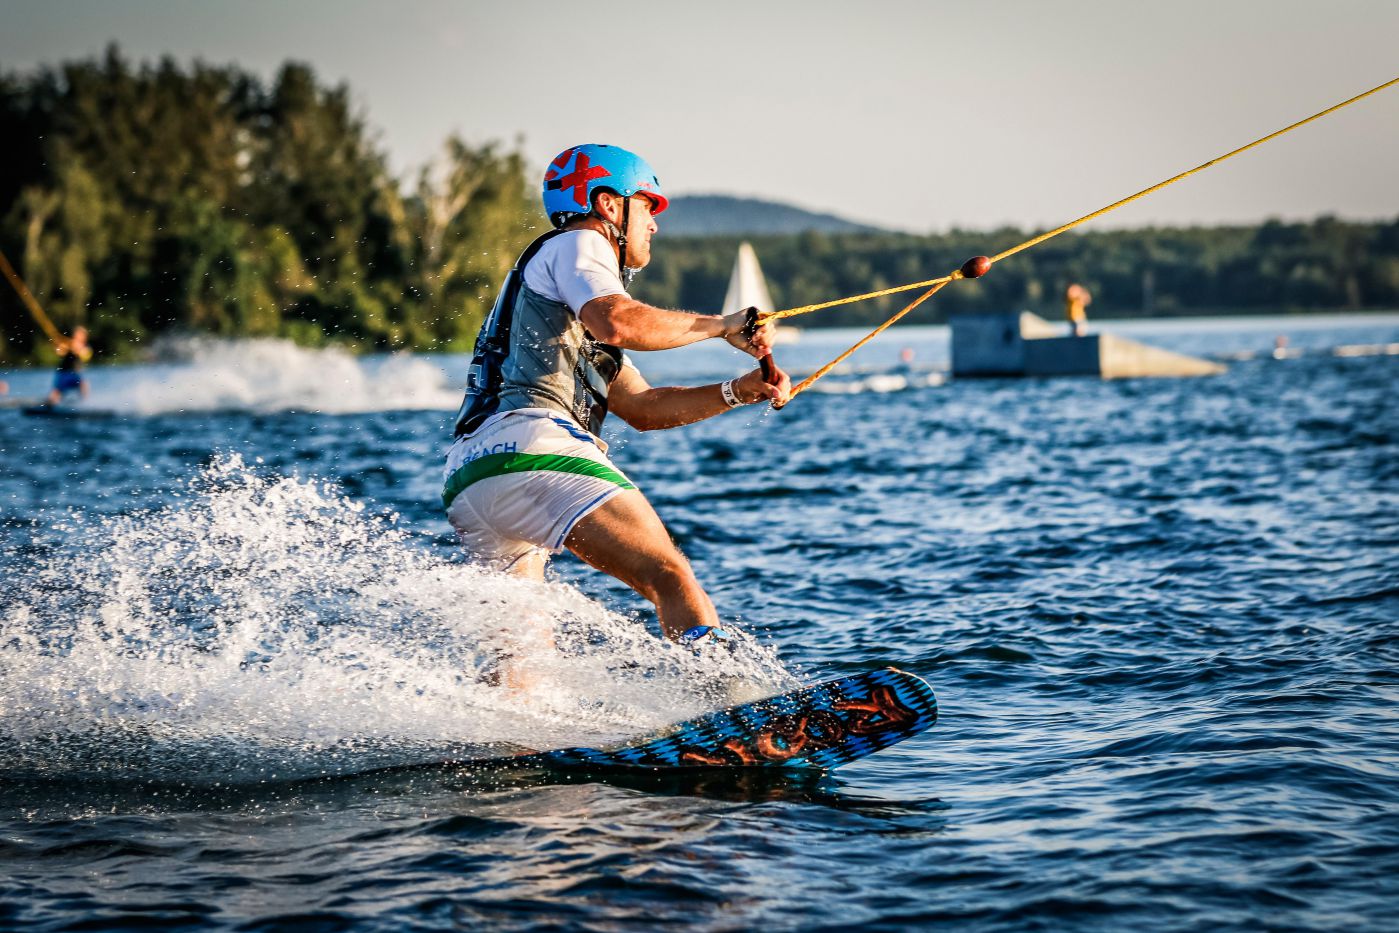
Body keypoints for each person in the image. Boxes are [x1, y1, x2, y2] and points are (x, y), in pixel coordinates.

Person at [442, 144, 790, 652]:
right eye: (649, 206)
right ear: (608, 205)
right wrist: (721, 325)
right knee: (668, 574)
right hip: (534, 446)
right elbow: (620, 321)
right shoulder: (579, 245)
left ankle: (518, 733)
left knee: (521, 648)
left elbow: (643, 408)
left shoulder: (563, 302)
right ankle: (732, 705)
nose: (655, 224)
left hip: (474, 476)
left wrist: (736, 391)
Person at [46, 326, 92, 404]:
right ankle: (50, 404)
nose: (78, 337)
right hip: (63, 373)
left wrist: (78, 349)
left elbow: (86, 355)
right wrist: (60, 347)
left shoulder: (86, 347)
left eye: (80, 335)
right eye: (77, 335)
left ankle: (86, 403)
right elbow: (60, 352)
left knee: (84, 385)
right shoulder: (67, 344)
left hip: (74, 375)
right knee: (57, 391)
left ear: (85, 337)